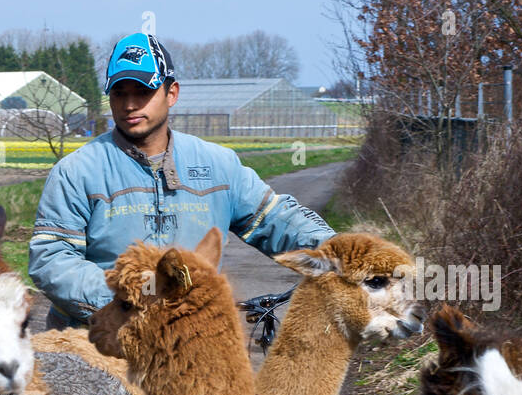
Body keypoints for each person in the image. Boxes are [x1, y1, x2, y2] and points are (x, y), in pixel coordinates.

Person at [30, 32, 336, 328]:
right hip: (100, 342)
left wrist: (339, 250)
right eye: (119, 93)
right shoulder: (77, 171)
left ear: (171, 92)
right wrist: (138, 292)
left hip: (190, 338)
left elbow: (273, 218)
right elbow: (52, 259)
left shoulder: (217, 164)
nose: (130, 105)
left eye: (143, 92)